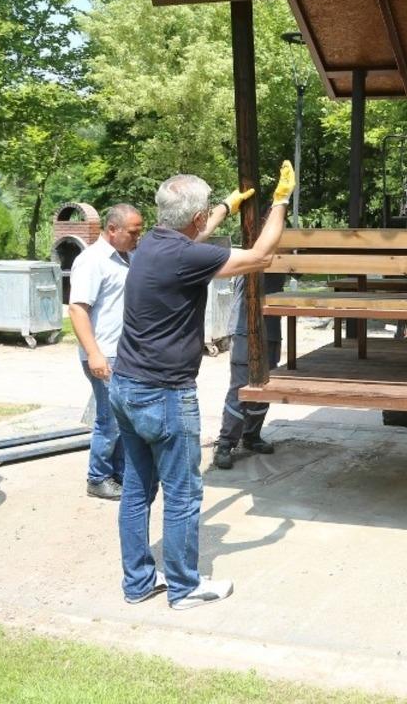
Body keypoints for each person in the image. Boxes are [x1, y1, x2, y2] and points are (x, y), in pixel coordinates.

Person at [109, 163, 292, 609]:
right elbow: (261, 256)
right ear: (194, 217)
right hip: (165, 395)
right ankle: (184, 588)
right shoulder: (186, 257)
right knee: (183, 494)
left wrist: (227, 205)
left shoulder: (150, 245)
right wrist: (281, 201)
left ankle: (138, 583)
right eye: (206, 211)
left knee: (137, 491)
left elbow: (196, 231)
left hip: (126, 386)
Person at [68, 204, 144, 501]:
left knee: (125, 418)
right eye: (133, 232)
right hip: (104, 353)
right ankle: (98, 478)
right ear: (113, 230)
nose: (138, 237)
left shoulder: (128, 257)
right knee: (109, 419)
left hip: (124, 353)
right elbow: (77, 309)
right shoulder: (92, 261)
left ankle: (120, 475)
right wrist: (94, 354)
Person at [214, 267, 286, 470]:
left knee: (263, 387)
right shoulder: (253, 254)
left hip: (270, 330)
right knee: (240, 388)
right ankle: (225, 442)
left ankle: (251, 435)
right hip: (244, 330)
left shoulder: (282, 256)